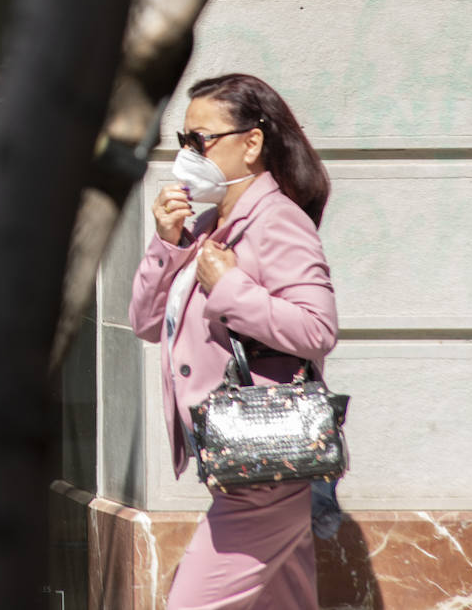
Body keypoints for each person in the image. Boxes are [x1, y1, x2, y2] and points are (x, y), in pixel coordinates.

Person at [128, 73, 338, 609]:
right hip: (240, 460)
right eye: (183, 141)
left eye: (201, 140)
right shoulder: (204, 227)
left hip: (266, 467)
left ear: (252, 143)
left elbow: (317, 330)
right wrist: (167, 243)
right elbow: (148, 323)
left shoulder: (278, 222)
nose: (188, 155)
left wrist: (230, 287)